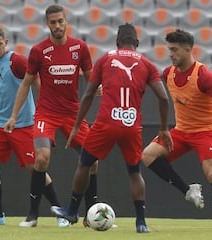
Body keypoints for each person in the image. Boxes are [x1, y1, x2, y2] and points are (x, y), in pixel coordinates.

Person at [51, 23, 173, 233]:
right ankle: (141, 222)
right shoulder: (147, 64)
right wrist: (163, 128)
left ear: (117, 42)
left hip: (106, 123)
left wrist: (77, 126)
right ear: (136, 43)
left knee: (85, 164)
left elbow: (89, 94)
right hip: (131, 125)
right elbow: (163, 97)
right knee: (135, 173)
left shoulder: (105, 59)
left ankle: (71, 211)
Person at [141, 29, 212, 231]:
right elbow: (144, 80)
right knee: (147, 155)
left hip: (204, 132)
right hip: (181, 132)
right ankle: (188, 190)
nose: (170, 54)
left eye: (174, 50)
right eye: (169, 49)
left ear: (188, 50)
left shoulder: (202, 75)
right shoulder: (168, 73)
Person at [4, 4, 98, 228]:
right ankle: (33, 216)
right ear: (47, 24)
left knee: (92, 161)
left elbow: (91, 78)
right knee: (42, 157)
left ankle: (89, 216)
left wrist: (99, 86)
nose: (57, 26)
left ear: (67, 21)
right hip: (46, 113)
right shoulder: (38, 50)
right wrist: (14, 116)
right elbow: (26, 83)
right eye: (53, 22)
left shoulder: (80, 47)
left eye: (60, 21)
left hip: (73, 114)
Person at [0, 27, 39, 225]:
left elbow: (36, 81)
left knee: (34, 168)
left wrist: (44, 110)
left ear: (6, 42)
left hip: (23, 123)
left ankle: (59, 212)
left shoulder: (17, 61)